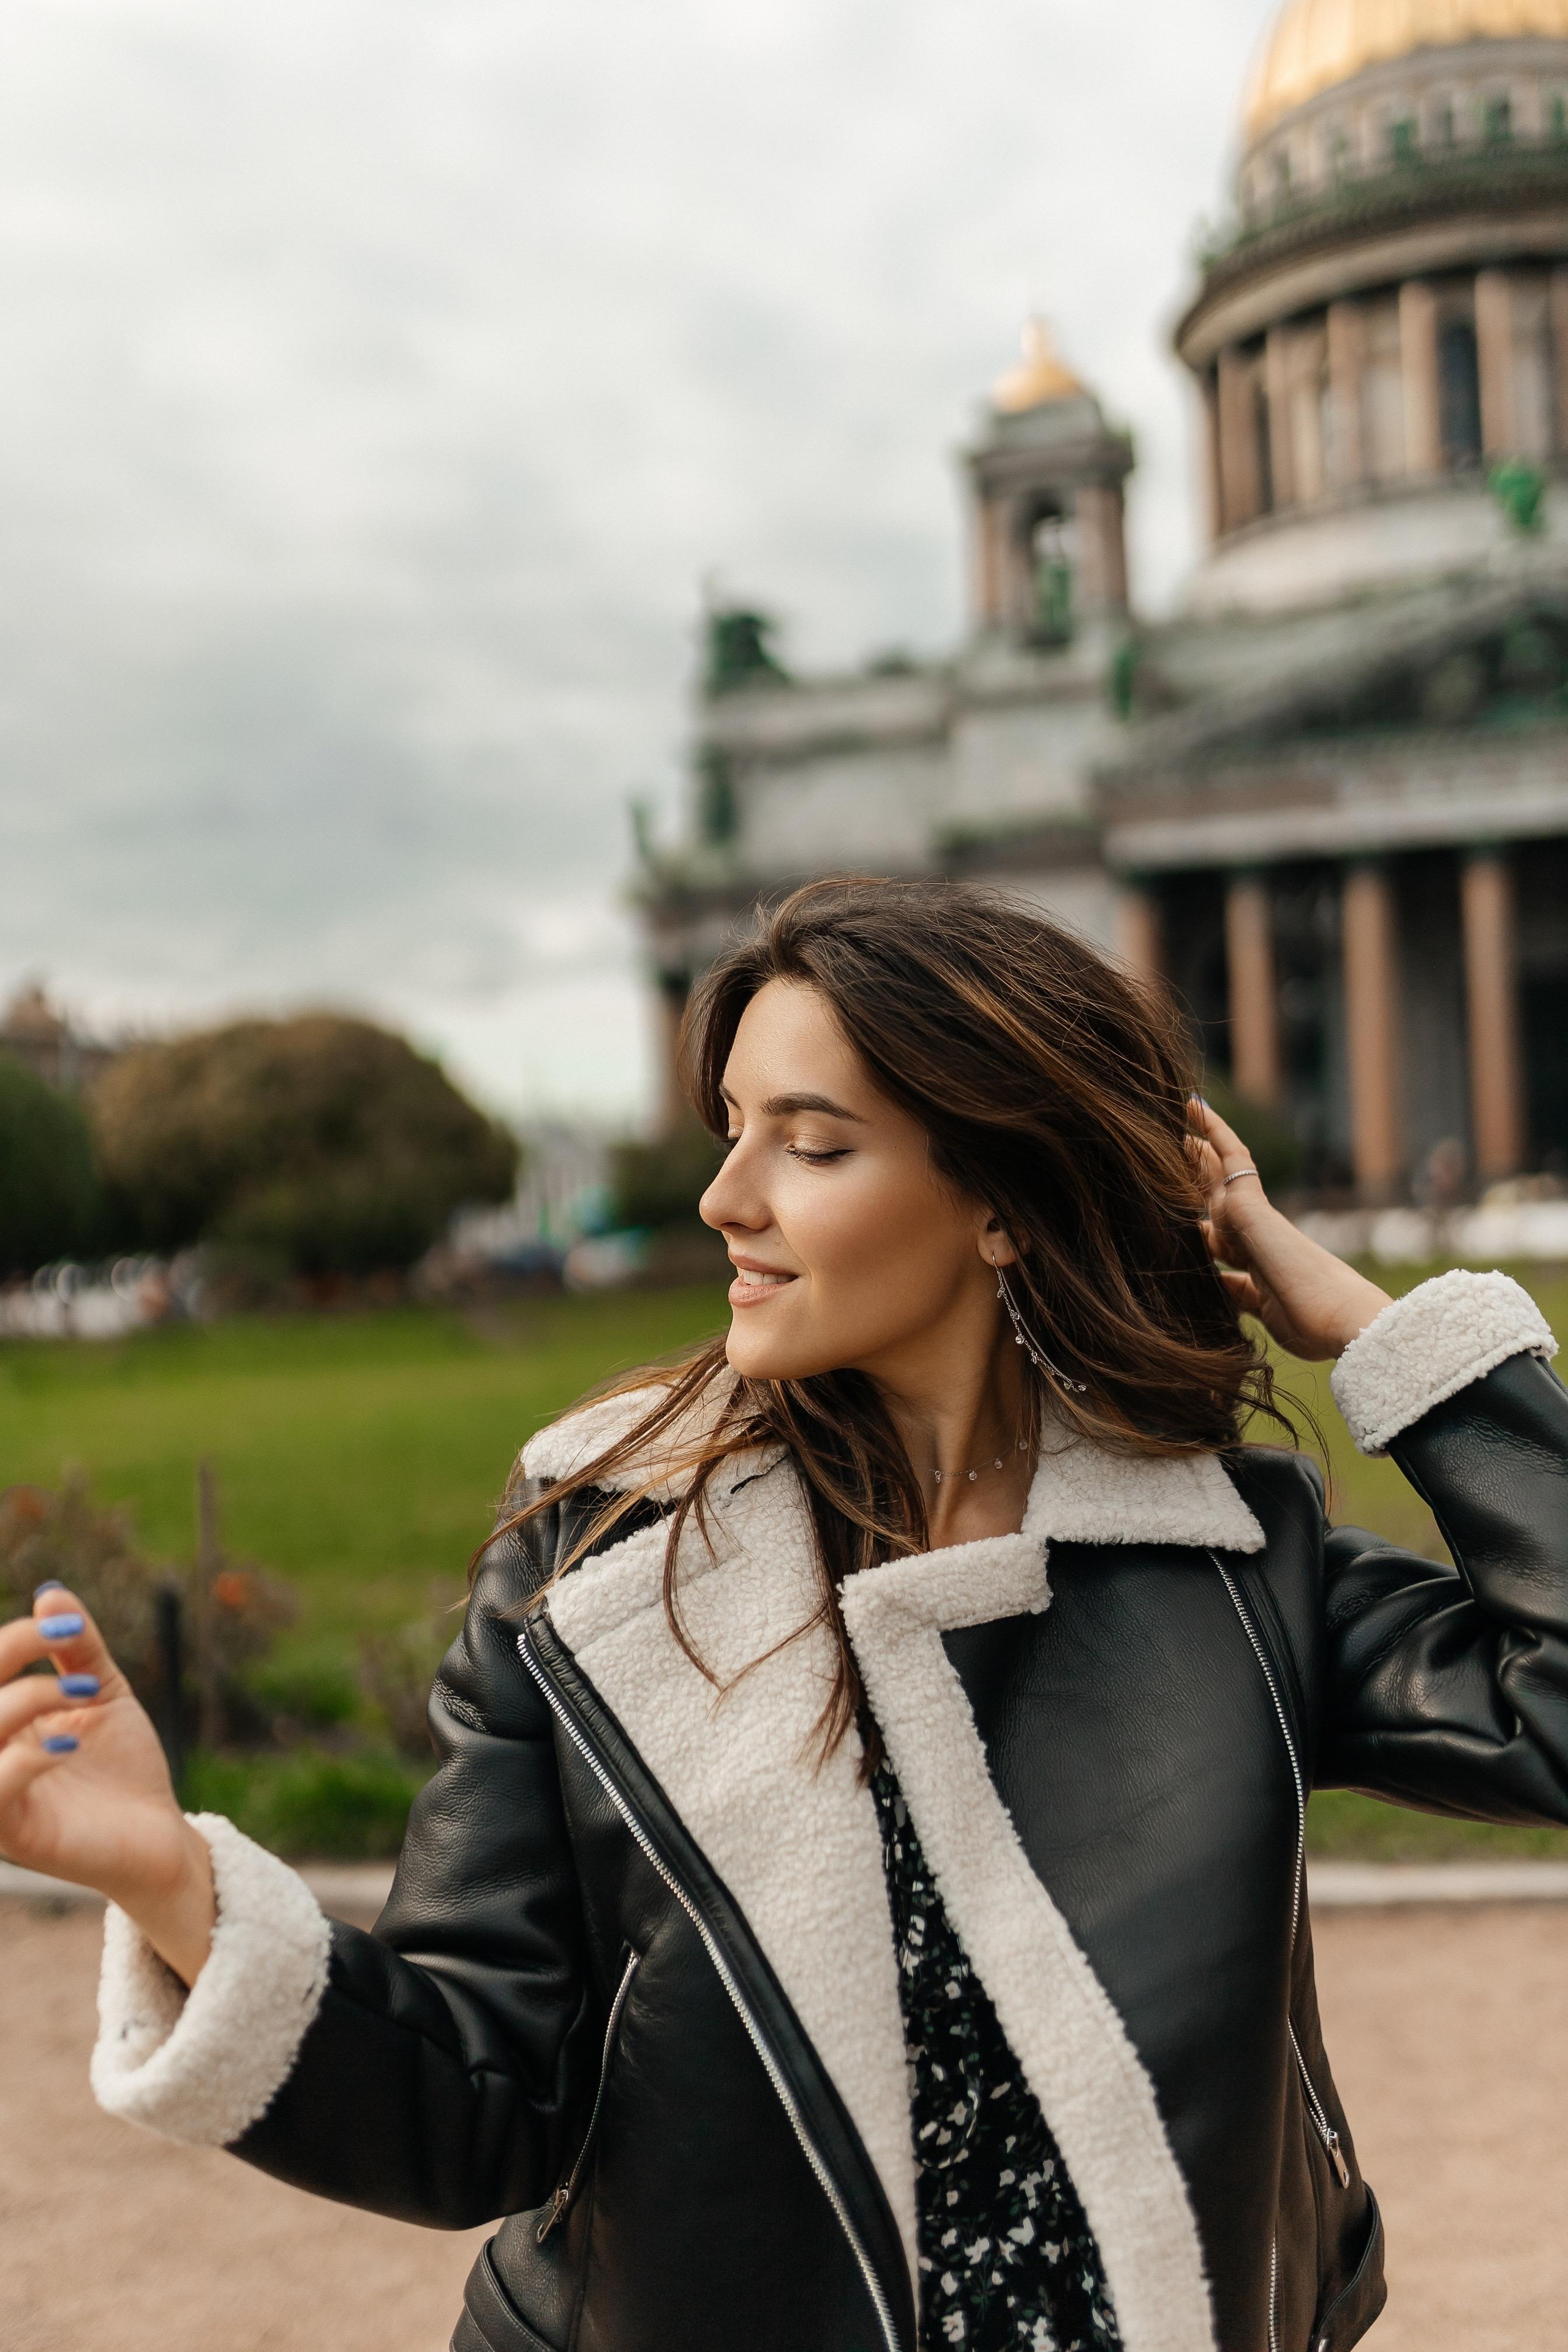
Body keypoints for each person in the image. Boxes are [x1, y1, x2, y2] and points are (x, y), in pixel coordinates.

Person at [3, 876, 1566, 2352]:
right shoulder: (598, 1562)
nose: (721, 1196)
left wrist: (1370, 1330)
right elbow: (473, 2099)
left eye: (809, 1146)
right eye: (733, 1128)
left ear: (1003, 1204)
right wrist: (164, 1876)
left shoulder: (1230, 1561)